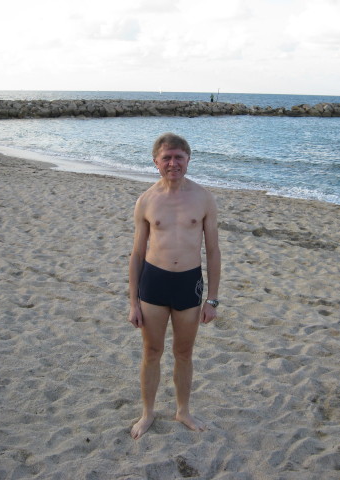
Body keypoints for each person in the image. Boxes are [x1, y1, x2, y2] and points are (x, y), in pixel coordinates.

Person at [128, 132, 221, 440]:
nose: (173, 163)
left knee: (184, 352)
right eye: (166, 158)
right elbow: (137, 254)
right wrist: (133, 303)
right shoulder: (146, 200)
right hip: (154, 282)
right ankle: (148, 413)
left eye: (178, 157)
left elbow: (213, 251)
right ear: (156, 162)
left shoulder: (203, 198)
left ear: (188, 160)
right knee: (152, 351)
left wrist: (213, 300)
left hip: (188, 284)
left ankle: (183, 411)